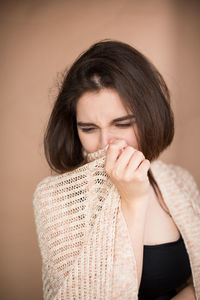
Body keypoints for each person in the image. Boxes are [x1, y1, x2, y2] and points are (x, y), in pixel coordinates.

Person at [33, 40, 200, 300]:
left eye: (121, 124)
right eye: (88, 128)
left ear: (150, 117)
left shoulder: (179, 181)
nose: (105, 144)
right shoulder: (54, 198)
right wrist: (132, 201)